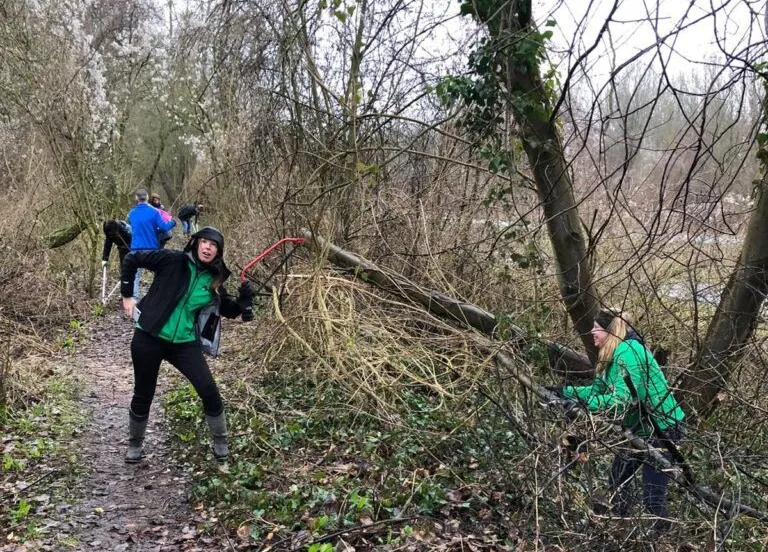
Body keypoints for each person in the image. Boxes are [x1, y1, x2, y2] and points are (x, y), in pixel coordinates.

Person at [119, 227, 256, 464]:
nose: (207, 247)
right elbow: (132, 258)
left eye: (213, 245)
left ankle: (221, 443)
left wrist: (243, 305)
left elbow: (224, 308)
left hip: (183, 343)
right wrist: (127, 294)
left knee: (209, 390)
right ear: (195, 243)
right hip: (149, 336)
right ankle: (135, 445)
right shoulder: (172, 260)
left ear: (218, 252)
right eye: (204, 242)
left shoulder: (214, 279)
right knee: (144, 393)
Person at [559, 309, 685, 532]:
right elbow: (597, 390)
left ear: (609, 330)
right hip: (639, 428)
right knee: (618, 478)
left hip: (664, 430)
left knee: (652, 496)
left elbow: (623, 400)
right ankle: (620, 527)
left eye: (596, 327)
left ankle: (662, 538)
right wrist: (566, 392)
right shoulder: (610, 354)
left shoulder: (629, 353)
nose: (592, 331)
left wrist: (585, 405)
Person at [127, 188, 176, 298]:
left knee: (135, 276)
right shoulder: (155, 212)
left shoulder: (131, 214)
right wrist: (172, 222)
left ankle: (134, 299)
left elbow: (129, 228)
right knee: (158, 272)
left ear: (136, 198)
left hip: (136, 249)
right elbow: (164, 227)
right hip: (152, 249)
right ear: (148, 198)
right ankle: (156, 296)